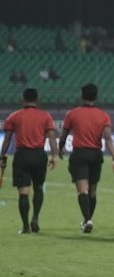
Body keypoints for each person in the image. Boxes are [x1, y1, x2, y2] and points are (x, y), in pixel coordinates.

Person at [59, 83, 114, 234]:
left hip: (79, 154)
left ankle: (87, 220)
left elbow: (64, 135)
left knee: (82, 190)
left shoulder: (72, 114)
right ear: (96, 97)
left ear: (81, 96)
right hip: (95, 155)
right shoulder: (103, 115)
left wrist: (60, 148)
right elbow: (108, 138)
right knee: (93, 191)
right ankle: (88, 220)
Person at [1, 87, 59, 234]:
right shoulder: (45, 116)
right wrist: (54, 156)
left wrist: (2, 156)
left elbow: (7, 139)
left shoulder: (14, 116)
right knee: (38, 188)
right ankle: (35, 218)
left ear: (22, 100)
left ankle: (26, 226)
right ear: (37, 100)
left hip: (22, 156)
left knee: (23, 192)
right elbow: (52, 138)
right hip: (39, 155)